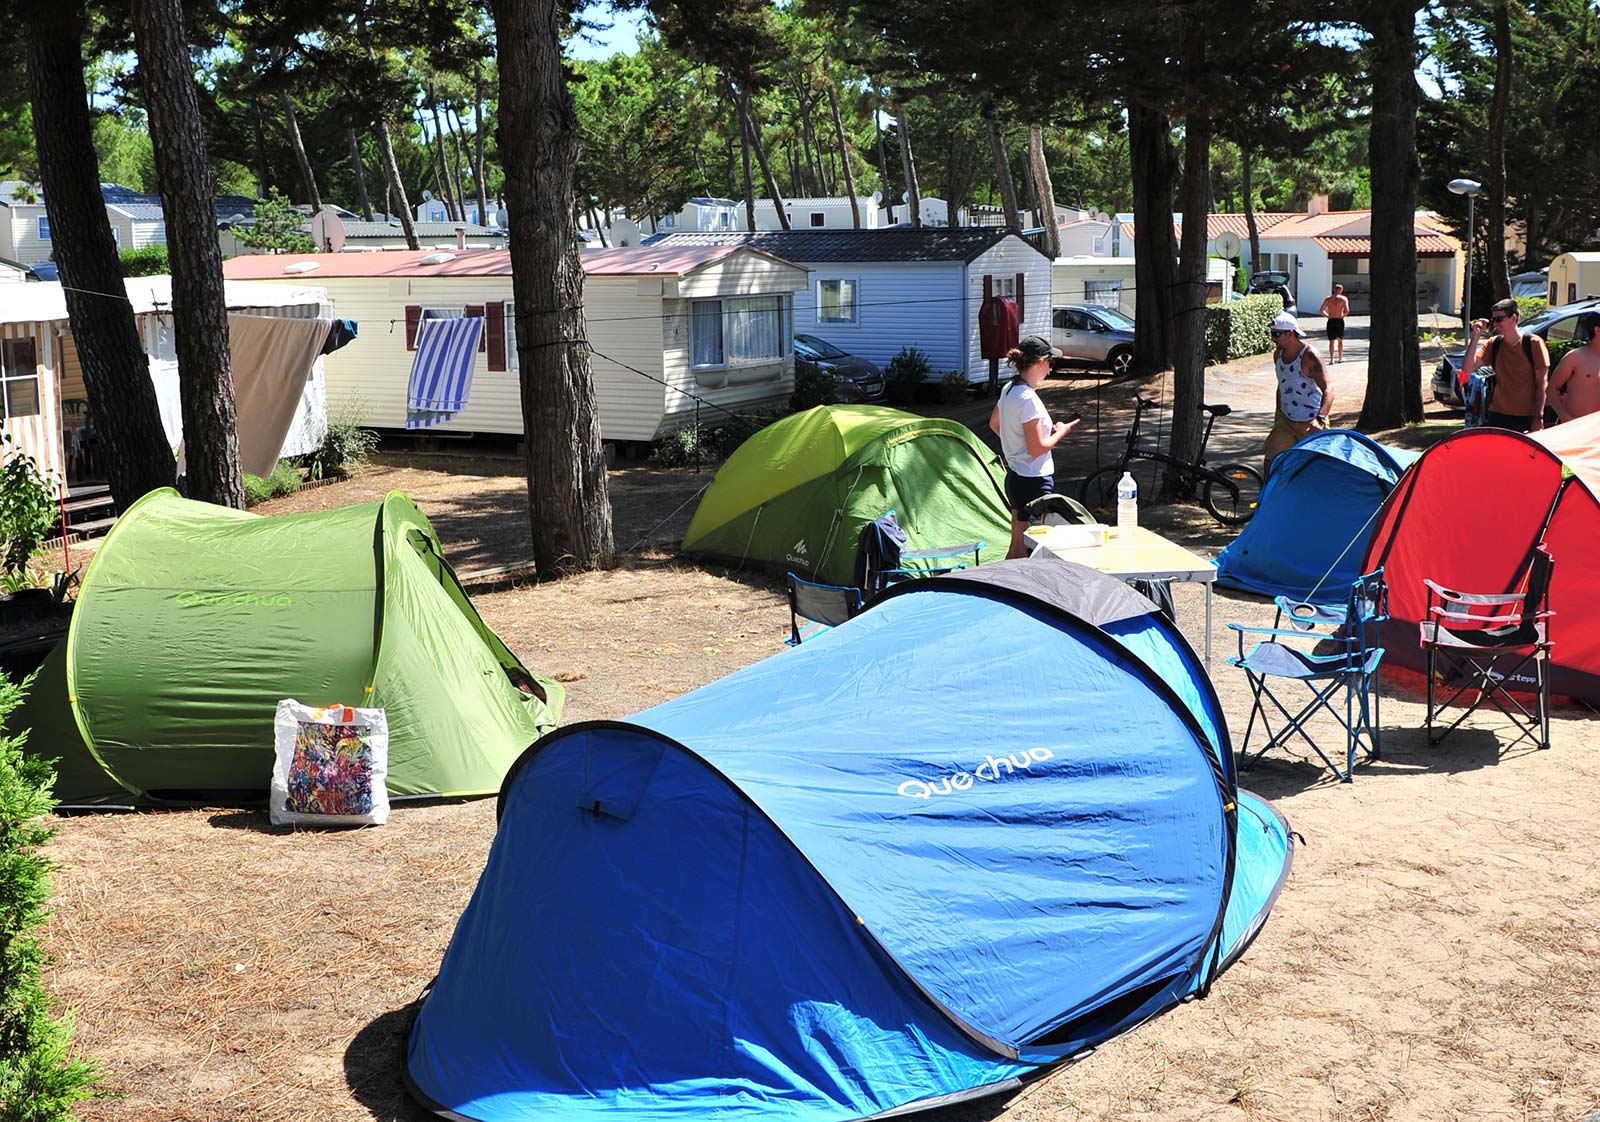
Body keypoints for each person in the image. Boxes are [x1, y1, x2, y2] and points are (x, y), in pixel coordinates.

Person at [988, 334, 1078, 558]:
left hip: (1016, 476)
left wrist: (1014, 444)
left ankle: (1003, 587)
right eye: (1050, 362)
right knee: (1033, 550)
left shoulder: (1009, 389)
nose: (1050, 369)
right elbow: (1038, 448)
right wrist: (1061, 432)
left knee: (1017, 546)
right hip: (1034, 481)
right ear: (1039, 362)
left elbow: (994, 424)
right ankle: (1017, 589)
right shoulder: (1027, 399)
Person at [1460, 297, 1549, 433]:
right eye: (1493, 320)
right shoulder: (1493, 343)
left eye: (1499, 319)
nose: (1495, 324)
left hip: (1527, 415)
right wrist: (1475, 337)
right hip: (1497, 413)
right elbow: (1467, 368)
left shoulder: (1533, 343)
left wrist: (1538, 416)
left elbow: (1542, 382)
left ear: (1513, 318)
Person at [1263, 312, 1333, 474]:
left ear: (1290, 334)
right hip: (1285, 419)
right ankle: (1269, 498)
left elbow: (1329, 388)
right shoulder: (1278, 355)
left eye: (1276, 334)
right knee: (1272, 463)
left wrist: (1320, 418)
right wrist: (1278, 412)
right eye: (1271, 334)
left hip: (1311, 422)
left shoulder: (1309, 356)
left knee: (1316, 468)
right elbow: (1282, 384)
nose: (1273, 338)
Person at [1547, 311, 1600, 424]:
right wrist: (1564, 416)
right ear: (1597, 330)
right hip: (1573, 428)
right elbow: (1551, 388)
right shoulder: (1575, 357)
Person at [1317, 284, 1351, 364]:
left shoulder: (1328, 299)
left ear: (1334, 290)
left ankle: (1332, 359)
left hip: (1331, 320)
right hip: (1339, 320)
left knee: (1331, 341)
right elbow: (1347, 310)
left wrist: (1328, 316)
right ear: (1341, 290)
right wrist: (1342, 316)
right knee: (1340, 340)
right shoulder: (1343, 299)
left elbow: (1321, 310)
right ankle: (1340, 358)